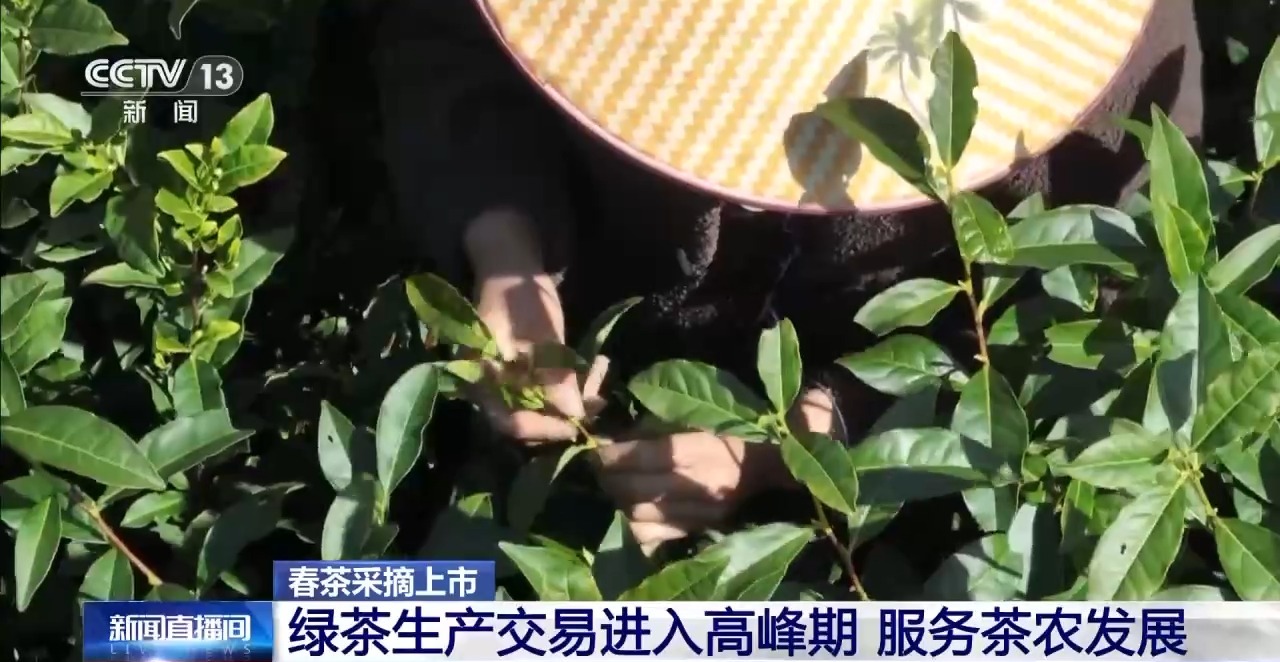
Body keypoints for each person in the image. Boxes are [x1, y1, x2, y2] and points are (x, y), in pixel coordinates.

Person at [374, 0, 1204, 551]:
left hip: (886, 473)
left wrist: (795, 445)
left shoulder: (1110, 49)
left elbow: (1090, 300)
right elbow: (455, 45)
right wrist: (510, 261)